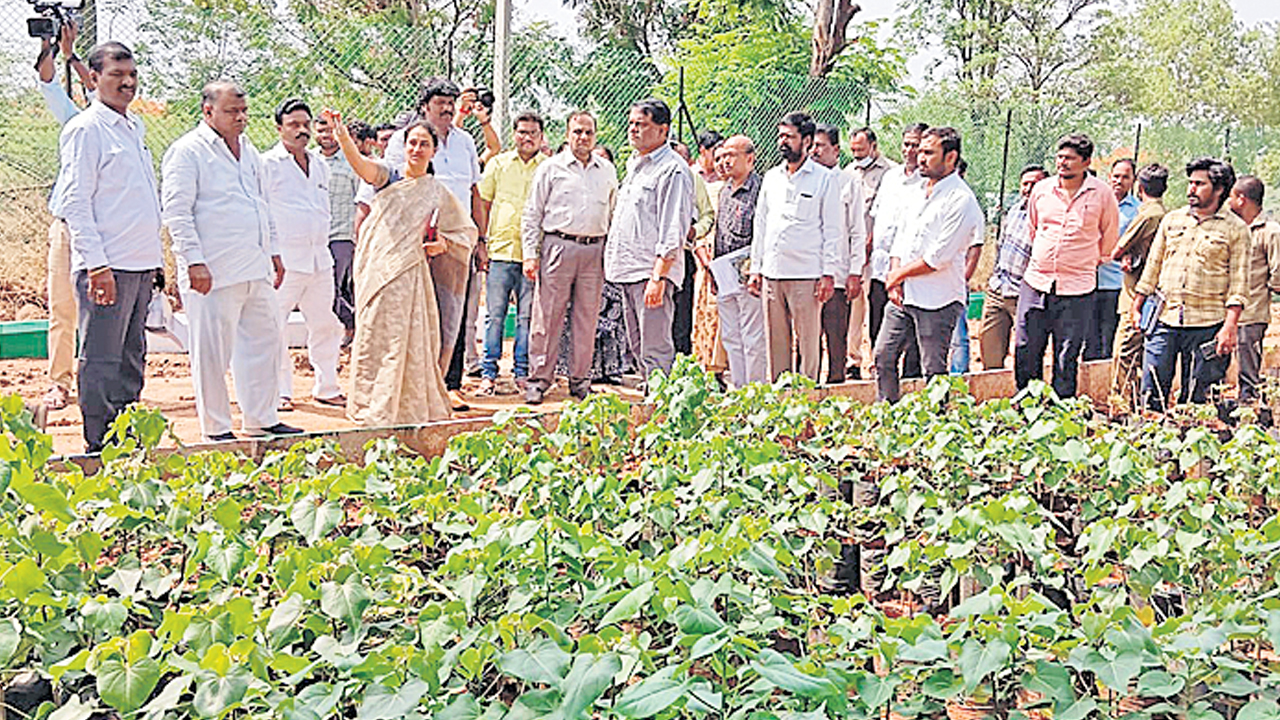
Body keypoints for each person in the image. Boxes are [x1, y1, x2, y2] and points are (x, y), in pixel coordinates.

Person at [161, 81, 300, 441]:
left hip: (255, 264)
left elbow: (261, 202)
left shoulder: (249, 150)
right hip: (213, 269)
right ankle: (217, 428)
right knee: (212, 353)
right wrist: (193, 261)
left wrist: (273, 250)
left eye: (243, 111)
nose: (240, 118)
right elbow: (176, 211)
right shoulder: (188, 151)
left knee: (264, 343)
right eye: (231, 111)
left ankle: (261, 419)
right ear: (208, 111)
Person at [325, 110, 478, 424]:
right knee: (374, 334)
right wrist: (343, 136)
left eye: (424, 144)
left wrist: (442, 244)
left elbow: (464, 233)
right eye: (412, 142)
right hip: (377, 270)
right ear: (403, 146)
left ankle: (406, 405)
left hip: (411, 274)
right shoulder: (389, 177)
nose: (417, 149)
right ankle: (374, 405)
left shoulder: (436, 191)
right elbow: (362, 166)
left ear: (434, 150)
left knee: (407, 338)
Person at [56, 41, 161, 452]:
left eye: (132, 74)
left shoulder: (133, 127)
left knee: (132, 356)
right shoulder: (86, 130)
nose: (127, 82)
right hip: (107, 265)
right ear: (95, 78)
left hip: (139, 263)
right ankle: (98, 444)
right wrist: (96, 265)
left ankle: (126, 437)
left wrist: (156, 261)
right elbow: (76, 202)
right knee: (102, 358)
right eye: (117, 75)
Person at [385, 78, 487, 410]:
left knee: (453, 312)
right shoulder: (405, 141)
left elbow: (474, 192)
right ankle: (414, 386)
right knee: (416, 311)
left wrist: (480, 240)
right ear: (425, 106)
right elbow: (390, 191)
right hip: (416, 242)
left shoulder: (465, 142)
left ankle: (449, 385)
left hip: (456, 242)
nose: (446, 108)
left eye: (450, 102)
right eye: (440, 102)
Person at [874, 127, 983, 403]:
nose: (920, 158)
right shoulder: (916, 191)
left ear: (951, 157)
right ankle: (886, 413)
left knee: (933, 370)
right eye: (920, 151)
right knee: (883, 356)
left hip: (938, 299)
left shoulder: (961, 200)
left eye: (929, 153)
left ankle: (936, 423)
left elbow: (939, 257)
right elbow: (900, 239)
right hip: (903, 295)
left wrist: (897, 275)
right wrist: (895, 279)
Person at [1132, 158, 1249, 411]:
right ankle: (1151, 431)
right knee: (1152, 389)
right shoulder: (1172, 220)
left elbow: (1239, 283)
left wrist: (1229, 327)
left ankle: (1192, 433)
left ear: (1219, 189)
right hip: (1164, 318)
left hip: (1208, 323)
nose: (1191, 189)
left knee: (1199, 398)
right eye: (1190, 183)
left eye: (1199, 184)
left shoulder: (1236, 229)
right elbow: (1153, 265)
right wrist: (1138, 305)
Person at [522, 111, 618, 404]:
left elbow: (613, 213)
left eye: (588, 132)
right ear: (567, 134)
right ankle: (538, 380)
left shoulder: (607, 170)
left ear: (595, 136)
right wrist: (530, 255)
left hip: (594, 249)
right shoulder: (551, 168)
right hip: (558, 246)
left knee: (587, 318)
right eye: (577, 131)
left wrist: (610, 254)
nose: (583, 137)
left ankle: (580, 380)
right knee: (547, 317)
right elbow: (532, 213)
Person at [1014, 133, 1119, 399]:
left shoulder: (1102, 194)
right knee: (1026, 348)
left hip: (1077, 288)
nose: (1063, 163)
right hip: (1036, 282)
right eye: (1060, 157)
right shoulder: (1042, 190)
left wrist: (1081, 261)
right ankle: (1027, 406)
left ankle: (1061, 410)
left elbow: (1108, 240)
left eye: (1070, 158)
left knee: (1066, 355)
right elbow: (1035, 229)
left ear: (1086, 162)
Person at [261, 98, 346, 410]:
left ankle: (327, 387)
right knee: (275, 325)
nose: (302, 131)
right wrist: (270, 253)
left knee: (326, 323)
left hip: (319, 259)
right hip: (283, 261)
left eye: (305, 124)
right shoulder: (267, 164)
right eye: (293, 125)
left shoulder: (320, 165)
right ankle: (279, 391)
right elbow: (262, 211)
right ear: (279, 128)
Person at [748, 111, 845, 382]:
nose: (783, 142)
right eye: (780, 136)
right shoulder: (771, 177)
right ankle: (780, 396)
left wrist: (828, 274)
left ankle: (807, 397)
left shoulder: (824, 178)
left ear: (807, 141)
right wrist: (756, 268)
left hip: (807, 274)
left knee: (808, 343)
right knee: (777, 343)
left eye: (789, 137)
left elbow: (832, 230)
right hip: (772, 273)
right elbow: (761, 225)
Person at [604, 98, 694, 380]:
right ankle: (650, 394)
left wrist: (659, 276)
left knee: (655, 348)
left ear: (663, 130)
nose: (633, 129)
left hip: (650, 272)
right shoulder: (635, 164)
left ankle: (661, 400)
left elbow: (673, 227)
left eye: (641, 124)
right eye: (631, 123)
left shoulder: (672, 169)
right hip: (627, 269)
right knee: (637, 345)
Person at [38, 21, 96, 412]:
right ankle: (59, 382)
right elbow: (47, 83)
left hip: (105, 228)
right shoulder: (75, 121)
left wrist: (72, 56)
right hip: (67, 226)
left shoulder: (124, 126)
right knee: (62, 306)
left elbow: (95, 87)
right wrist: (52, 46)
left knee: (102, 312)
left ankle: (98, 382)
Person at [477, 111, 546, 395]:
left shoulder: (549, 168)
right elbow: (483, 202)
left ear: (541, 137)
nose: (527, 138)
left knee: (527, 317)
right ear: (514, 134)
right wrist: (482, 242)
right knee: (494, 315)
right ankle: (488, 374)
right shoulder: (498, 164)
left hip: (534, 255)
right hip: (500, 250)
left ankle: (522, 372)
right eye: (522, 132)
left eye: (533, 133)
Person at [867, 124, 928, 380]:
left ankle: (910, 379)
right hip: (881, 266)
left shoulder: (927, 183)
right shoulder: (890, 177)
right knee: (877, 323)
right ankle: (881, 375)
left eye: (915, 145)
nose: (909, 150)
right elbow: (877, 216)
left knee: (910, 330)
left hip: (910, 267)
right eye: (906, 144)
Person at [810, 123, 867, 384]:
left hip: (838, 276)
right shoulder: (806, 180)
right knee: (808, 340)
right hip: (808, 273)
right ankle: (807, 390)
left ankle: (836, 386)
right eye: (811, 145)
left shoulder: (848, 182)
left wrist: (855, 272)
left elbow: (857, 231)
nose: (814, 151)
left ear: (835, 149)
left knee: (836, 337)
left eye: (820, 146)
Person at [1108, 163, 1168, 405]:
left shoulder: (1147, 216)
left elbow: (1116, 250)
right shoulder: (1165, 215)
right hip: (1154, 295)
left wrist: (1123, 253)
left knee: (1123, 353)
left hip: (1137, 296)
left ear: (1139, 186)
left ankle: (1122, 405)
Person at [712, 135, 768, 388]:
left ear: (750, 158)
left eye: (731, 155)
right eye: (723, 155)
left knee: (752, 336)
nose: (725, 161)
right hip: (724, 273)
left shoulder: (761, 189)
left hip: (748, 274)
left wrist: (755, 267)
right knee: (731, 336)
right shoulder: (725, 190)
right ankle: (738, 386)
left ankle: (754, 390)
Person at [978, 164, 1047, 369]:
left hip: (1025, 292)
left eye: (1034, 184)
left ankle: (1024, 387)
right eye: (1025, 184)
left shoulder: (1049, 216)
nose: (1028, 188)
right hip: (998, 288)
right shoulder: (1015, 210)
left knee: (1027, 351)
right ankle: (993, 385)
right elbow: (1001, 246)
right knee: (989, 347)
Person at [846, 126, 896, 379]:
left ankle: (879, 360)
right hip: (853, 253)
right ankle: (853, 360)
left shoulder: (891, 173)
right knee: (854, 307)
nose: (857, 155)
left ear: (874, 147)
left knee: (878, 306)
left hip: (878, 254)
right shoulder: (848, 172)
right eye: (853, 150)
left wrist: (870, 241)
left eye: (861, 150)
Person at [1228, 176, 1280, 402]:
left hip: (1252, 313)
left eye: (1231, 196)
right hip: (1226, 311)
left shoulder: (1270, 231)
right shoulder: (1232, 228)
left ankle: (1250, 407)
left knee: (1248, 368)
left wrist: (1264, 291)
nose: (1228, 201)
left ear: (1241, 199)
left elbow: (1278, 270)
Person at [1084, 158, 1141, 361]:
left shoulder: (1138, 211)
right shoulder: (1093, 201)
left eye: (1125, 177)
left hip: (1115, 284)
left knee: (1108, 339)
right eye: (1116, 176)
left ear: (1133, 180)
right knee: (1088, 341)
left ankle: (1107, 378)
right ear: (1109, 177)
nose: (1119, 181)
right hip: (1087, 282)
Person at [313, 111, 359, 346]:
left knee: (331, 288)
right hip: (314, 236)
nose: (326, 135)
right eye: (321, 130)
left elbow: (361, 200)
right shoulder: (308, 160)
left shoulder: (352, 161)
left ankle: (352, 324)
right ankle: (351, 325)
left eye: (330, 130)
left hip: (342, 235)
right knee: (320, 288)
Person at [670, 141, 715, 358]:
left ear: (688, 161)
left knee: (681, 315)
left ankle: (681, 363)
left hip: (682, 254)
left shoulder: (693, 179)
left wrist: (694, 231)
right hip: (650, 258)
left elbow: (708, 215)